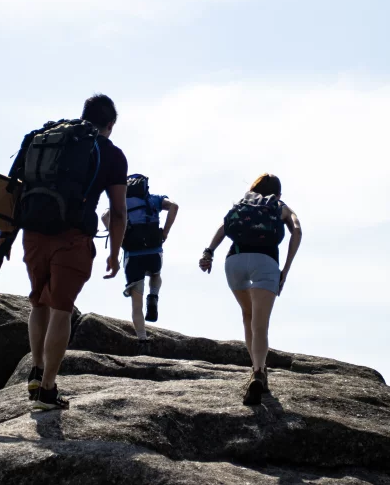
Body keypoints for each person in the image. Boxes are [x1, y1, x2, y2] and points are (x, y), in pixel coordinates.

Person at [0, 94, 127, 411]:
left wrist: (4, 237)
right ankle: (48, 389)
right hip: (74, 236)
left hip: (33, 233)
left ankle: (37, 369)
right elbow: (119, 211)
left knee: (39, 300)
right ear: (111, 124)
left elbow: (11, 189)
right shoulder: (111, 154)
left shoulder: (44, 139)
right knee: (62, 308)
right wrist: (115, 252)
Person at [199, 173, 302, 405]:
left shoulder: (243, 202)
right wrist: (285, 269)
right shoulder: (280, 205)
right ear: (278, 193)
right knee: (260, 323)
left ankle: (255, 368)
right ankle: (259, 373)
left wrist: (208, 252)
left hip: (234, 261)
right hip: (265, 262)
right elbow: (297, 230)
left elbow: (224, 226)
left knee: (248, 315)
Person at [102, 176, 178, 347]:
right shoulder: (152, 199)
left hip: (133, 255)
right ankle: (154, 295)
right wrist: (165, 232)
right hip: (154, 251)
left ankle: (142, 340)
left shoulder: (121, 203)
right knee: (155, 274)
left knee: (136, 304)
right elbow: (174, 206)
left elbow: (105, 216)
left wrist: (119, 239)